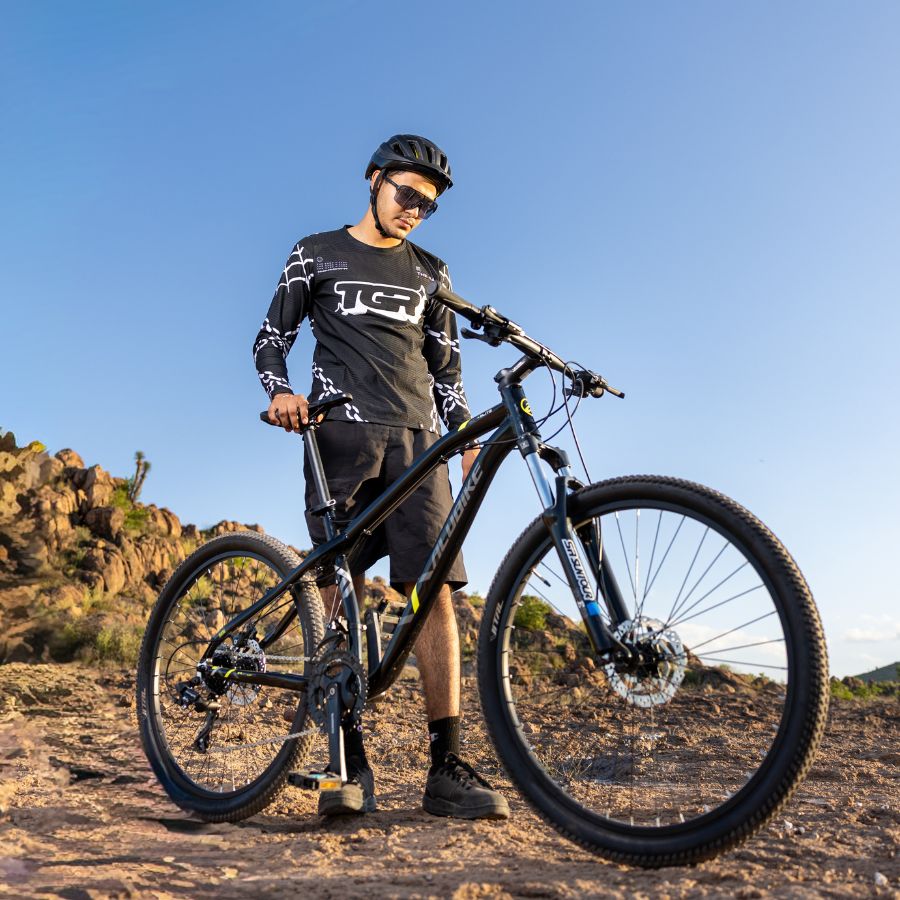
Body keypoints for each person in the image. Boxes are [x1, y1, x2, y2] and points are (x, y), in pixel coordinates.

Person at [252, 134, 509, 821]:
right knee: (338, 588)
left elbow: (447, 367)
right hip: (340, 436)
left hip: (420, 445)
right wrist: (282, 393)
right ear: (373, 180)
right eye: (406, 194)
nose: (414, 210)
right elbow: (270, 340)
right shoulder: (314, 252)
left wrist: (462, 436)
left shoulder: (431, 271)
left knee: (435, 593)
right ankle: (347, 762)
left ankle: (445, 768)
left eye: (428, 205)